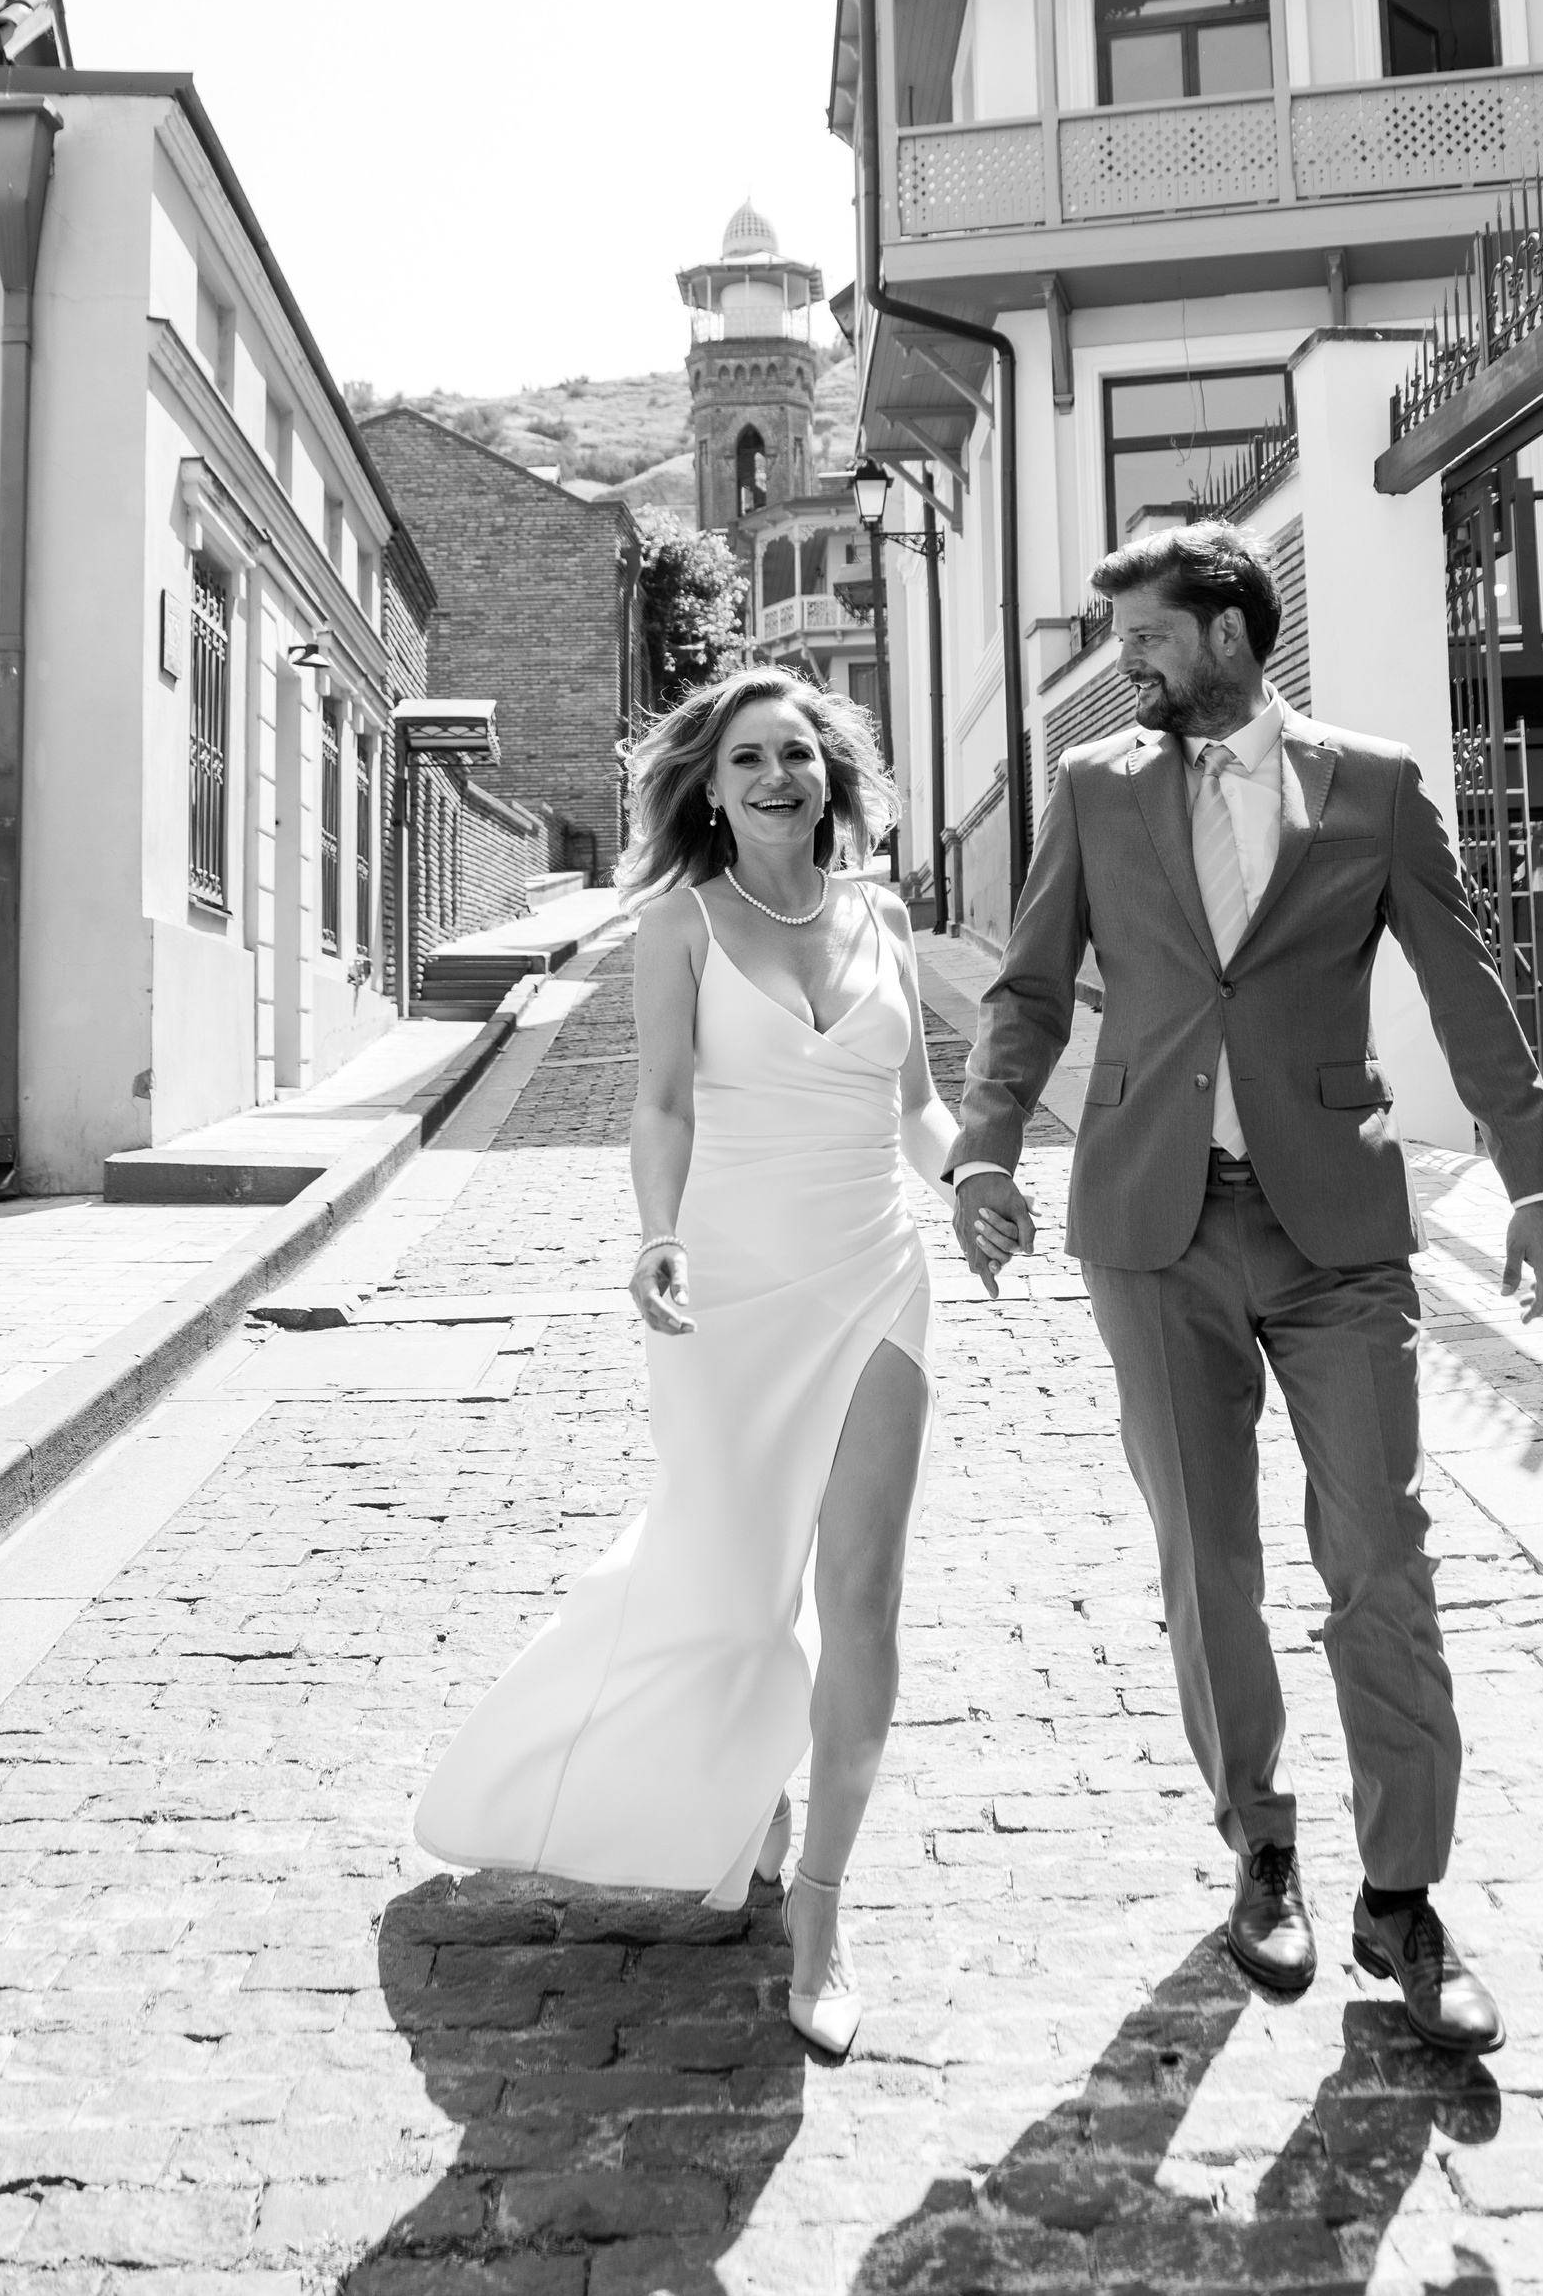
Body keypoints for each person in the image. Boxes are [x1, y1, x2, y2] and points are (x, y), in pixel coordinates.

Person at [950, 520, 1543, 2056]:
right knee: (1207, 1560)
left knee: (1381, 1553)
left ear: (1227, 632)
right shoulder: (1095, 789)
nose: (1128, 668)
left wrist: (1532, 1171)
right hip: (1152, 1226)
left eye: (1148, 638)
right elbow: (1030, 987)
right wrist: (984, 1150)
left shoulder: (1372, 784)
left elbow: (1461, 979)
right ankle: (1263, 1845)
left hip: (1335, 1228)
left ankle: (1404, 1899)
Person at [415, 668, 977, 2059]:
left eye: (798, 753)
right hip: (727, 1291)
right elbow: (660, 1103)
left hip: (875, 1277)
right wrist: (657, 1235)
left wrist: (975, 1180)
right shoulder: (678, 925)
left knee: (862, 1596)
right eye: (748, 760)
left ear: (832, 776)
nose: (778, 776)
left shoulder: (886, 919)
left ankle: (823, 1907)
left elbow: (917, 1109)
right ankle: (708, 1781)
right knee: (732, 1597)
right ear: (711, 792)